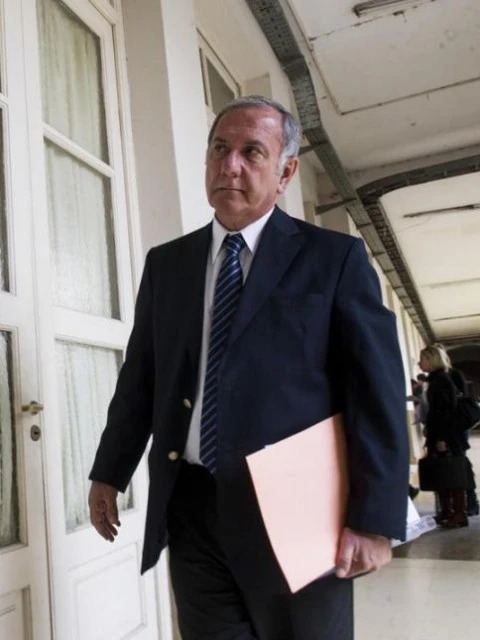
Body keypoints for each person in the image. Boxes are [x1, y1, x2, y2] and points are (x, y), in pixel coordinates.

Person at [88, 96, 409, 640]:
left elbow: (375, 394)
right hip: (192, 506)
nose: (229, 165)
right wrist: (109, 470)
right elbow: (142, 377)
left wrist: (374, 519)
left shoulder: (334, 259)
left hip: (300, 510)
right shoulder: (168, 265)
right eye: (219, 148)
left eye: (251, 152)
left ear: (286, 172)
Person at [419, 345, 472, 528]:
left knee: (452, 472)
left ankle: (459, 513)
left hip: (447, 435)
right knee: (443, 472)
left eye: (423, 359)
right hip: (444, 433)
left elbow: (444, 412)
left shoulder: (440, 380)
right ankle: (447, 511)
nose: (420, 363)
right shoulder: (437, 379)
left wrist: (442, 438)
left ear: (431, 360)